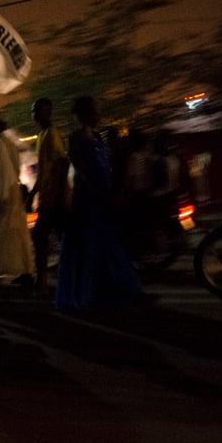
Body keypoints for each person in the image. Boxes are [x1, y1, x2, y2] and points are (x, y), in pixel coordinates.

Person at [55, 96, 143, 313]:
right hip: (87, 201)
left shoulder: (98, 137)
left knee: (109, 245)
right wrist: (100, 192)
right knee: (87, 247)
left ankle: (113, 291)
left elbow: (106, 165)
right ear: (83, 114)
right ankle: (88, 294)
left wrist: (112, 191)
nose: (98, 115)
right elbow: (82, 169)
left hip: (104, 198)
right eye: (94, 111)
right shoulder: (74, 138)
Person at [0, 114, 34, 286]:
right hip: (13, 194)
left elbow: (2, 175)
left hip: (4, 195)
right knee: (15, 232)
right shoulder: (9, 143)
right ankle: (23, 270)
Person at [28, 98, 69, 295]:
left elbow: (63, 163)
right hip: (48, 198)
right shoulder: (42, 135)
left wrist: (60, 195)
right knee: (59, 238)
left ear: (47, 112)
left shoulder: (52, 134)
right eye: (33, 111)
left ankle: (42, 281)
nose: (33, 115)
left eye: (37, 110)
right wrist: (33, 194)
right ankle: (46, 280)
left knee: (41, 237)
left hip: (54, 199)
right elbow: (44, 170)